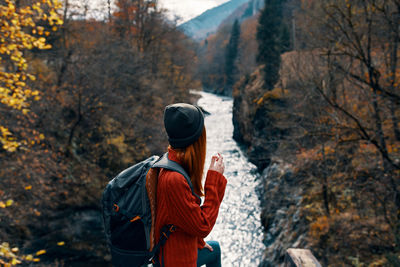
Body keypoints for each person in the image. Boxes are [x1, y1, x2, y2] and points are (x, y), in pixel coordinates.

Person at [154, 103, 227, 267]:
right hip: (177, 261)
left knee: (213, 249)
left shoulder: (171, 162)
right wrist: (214, 181)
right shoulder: (174, 179)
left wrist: (198, 242)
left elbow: (182, 215)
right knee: (213, 250)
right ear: (197, 140)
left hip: (180, 251)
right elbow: (202, 226)